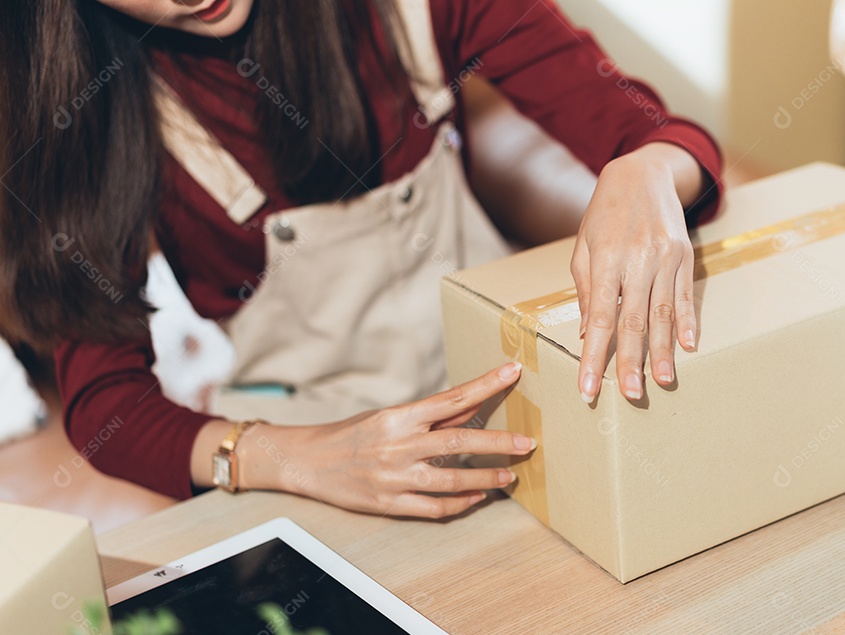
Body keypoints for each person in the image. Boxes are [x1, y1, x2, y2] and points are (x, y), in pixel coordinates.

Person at [0, 0, 723, 518]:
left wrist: (647, 168)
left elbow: (670, 139)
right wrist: (306, 458)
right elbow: (107, 409)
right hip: (308, 476)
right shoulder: (98, 106)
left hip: (516, 417)